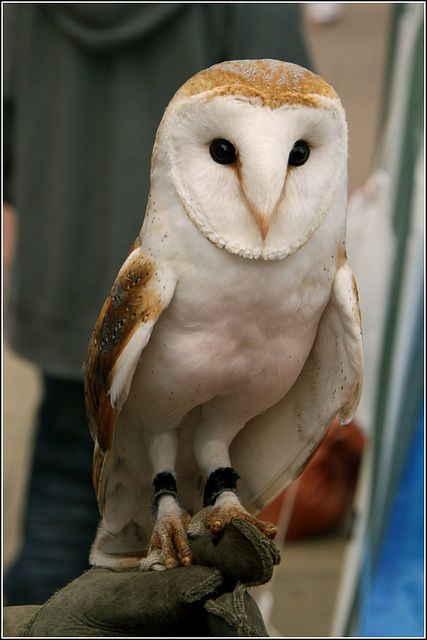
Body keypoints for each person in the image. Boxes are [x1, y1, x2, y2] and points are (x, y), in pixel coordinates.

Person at [3, 3, 312, 605]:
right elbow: (287, 103)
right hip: (203, 289)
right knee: (176, 570)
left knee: (71, 485)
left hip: (65, 257)